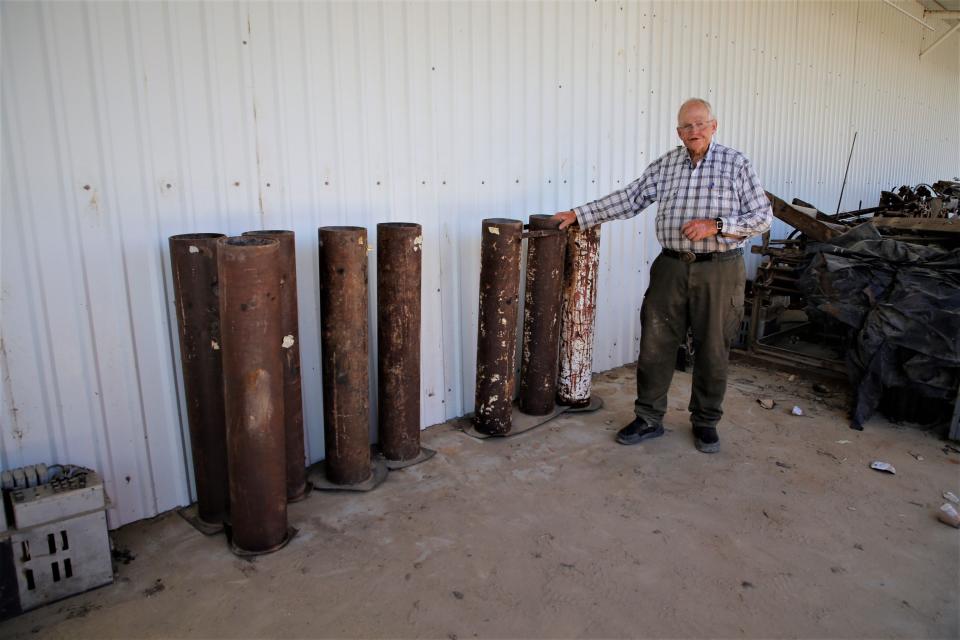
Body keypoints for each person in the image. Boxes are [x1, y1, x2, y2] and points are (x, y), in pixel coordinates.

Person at [551, 98, 772, 453]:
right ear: (678, 132)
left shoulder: (736, 163)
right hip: (671, 265)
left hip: (720, 267)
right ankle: (649, 417)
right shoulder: (667, 165)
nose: (694, 131)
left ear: (714, 126)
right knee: (655, 343)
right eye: (686, 126)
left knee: (713, 347)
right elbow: (630, 198)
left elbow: (762, 217)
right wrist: (581, 214)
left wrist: (717, 226)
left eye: (700, 124)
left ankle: (705, 422)